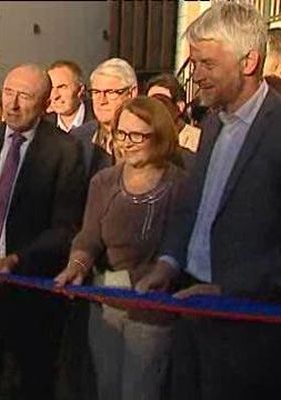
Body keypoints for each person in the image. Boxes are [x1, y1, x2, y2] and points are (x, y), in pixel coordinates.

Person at [135, 3, 281, 399]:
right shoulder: (213, 122)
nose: (195, 76)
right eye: (194, 63)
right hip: (191, 306)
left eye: (207, 64)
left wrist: (230, 288)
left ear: (248, 61)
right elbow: (193, 208)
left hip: (250, 329)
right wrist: (169, 262)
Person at [0, 64, 86, 400]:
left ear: (46, 102)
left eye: (25, 96)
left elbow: (65, 226)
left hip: (30, 289)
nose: (13, 104)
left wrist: (19, 259)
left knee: (32, 382)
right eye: (8, 92)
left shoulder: (64, 151)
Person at [55, 96, 185, 400]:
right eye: (121, 133)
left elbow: (179, 242)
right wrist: (76, 266)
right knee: (108, 389)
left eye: (137, 135)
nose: (128, 142)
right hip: (106, 303)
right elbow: (88, 238)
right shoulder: (103, 182)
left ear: (160, 136)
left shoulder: (179, 185)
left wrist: (163, 272)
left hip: (153, 310)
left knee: (141, 391)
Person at [71, 58, 138, 184]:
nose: (101, 101)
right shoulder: (77, 140)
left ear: (131, 93)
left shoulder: (146, 140)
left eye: (110, 92)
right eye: (96, 92)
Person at [146, 73, 201, 153]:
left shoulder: (198, 140)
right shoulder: (145, 141)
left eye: (161, 102)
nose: (154, 109)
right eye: (149, 104)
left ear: (179, 107)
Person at [46, 60, 93, 132]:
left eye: (62, 87)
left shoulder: (99, 119)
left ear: (80, 90)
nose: (55, 96)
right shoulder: (43, 125)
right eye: (51, 88)